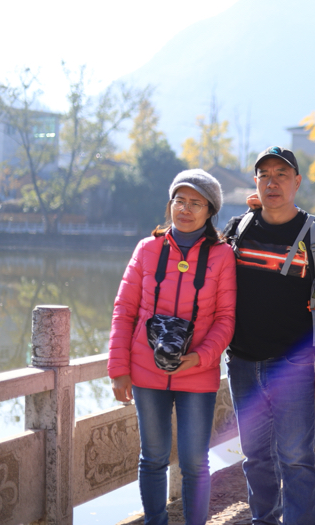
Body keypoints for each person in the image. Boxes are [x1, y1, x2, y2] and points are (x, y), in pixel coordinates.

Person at [108, 169, 236, 525]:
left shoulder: (221, 256)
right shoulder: (147, 249)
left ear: (210, 211)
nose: (186, 209)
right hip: (146, 370)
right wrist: (118, 370)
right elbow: (124, 310)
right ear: (170, 204)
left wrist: (199, 357)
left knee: (195, 461)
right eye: (180, 200)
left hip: (197, 373)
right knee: (153, 458)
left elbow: (226, 319)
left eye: (196, 203)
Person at [222, 146, 315, 525]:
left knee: (297, 458)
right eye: (264, 175)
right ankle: (263, 519)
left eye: (281, 175)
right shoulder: (238, 229)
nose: (272, 183)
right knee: (255, 457)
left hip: (294, 365)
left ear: (296, 182)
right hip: (242, 362)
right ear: (255, 183)